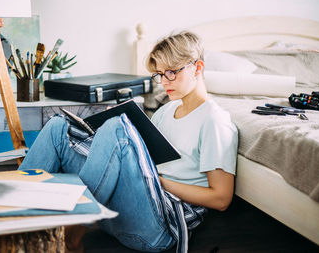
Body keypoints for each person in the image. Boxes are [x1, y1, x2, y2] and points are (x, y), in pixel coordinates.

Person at [18, 31, 238, 253]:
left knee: (117, 127)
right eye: (159, 74)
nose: (163, 81)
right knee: (58, 127)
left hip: (157, 228)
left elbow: (221, 198)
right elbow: (137, 158)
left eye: (171, 72)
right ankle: (12, 219)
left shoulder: (214, 120)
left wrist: (158, 182)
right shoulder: (166, 110)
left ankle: (74, 231)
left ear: (197, 68)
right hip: (122, 213)